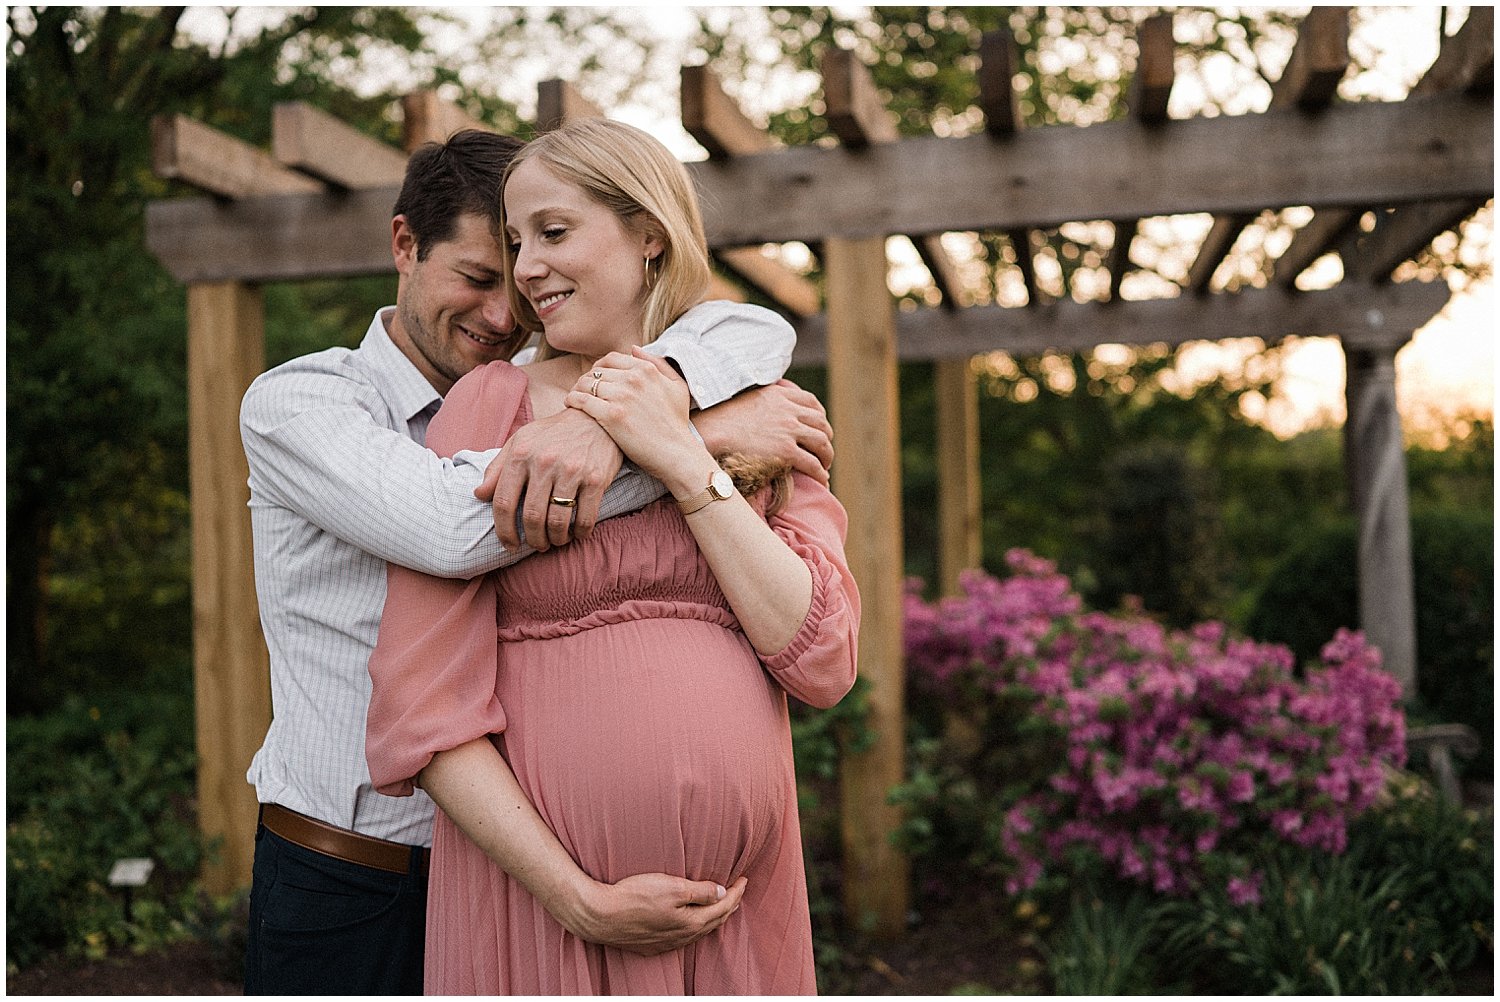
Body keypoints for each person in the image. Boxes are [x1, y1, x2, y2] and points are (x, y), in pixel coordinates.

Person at [238, 128, 835, 995]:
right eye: (480, 277)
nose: (501, 314)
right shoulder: (304, 401)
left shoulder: (544, 395)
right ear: (404, 245)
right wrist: (688, 442)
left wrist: (607, 424)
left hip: (505, 872)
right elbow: (451, 529)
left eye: (520, 276)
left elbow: (749, 328)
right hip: (357, 873)